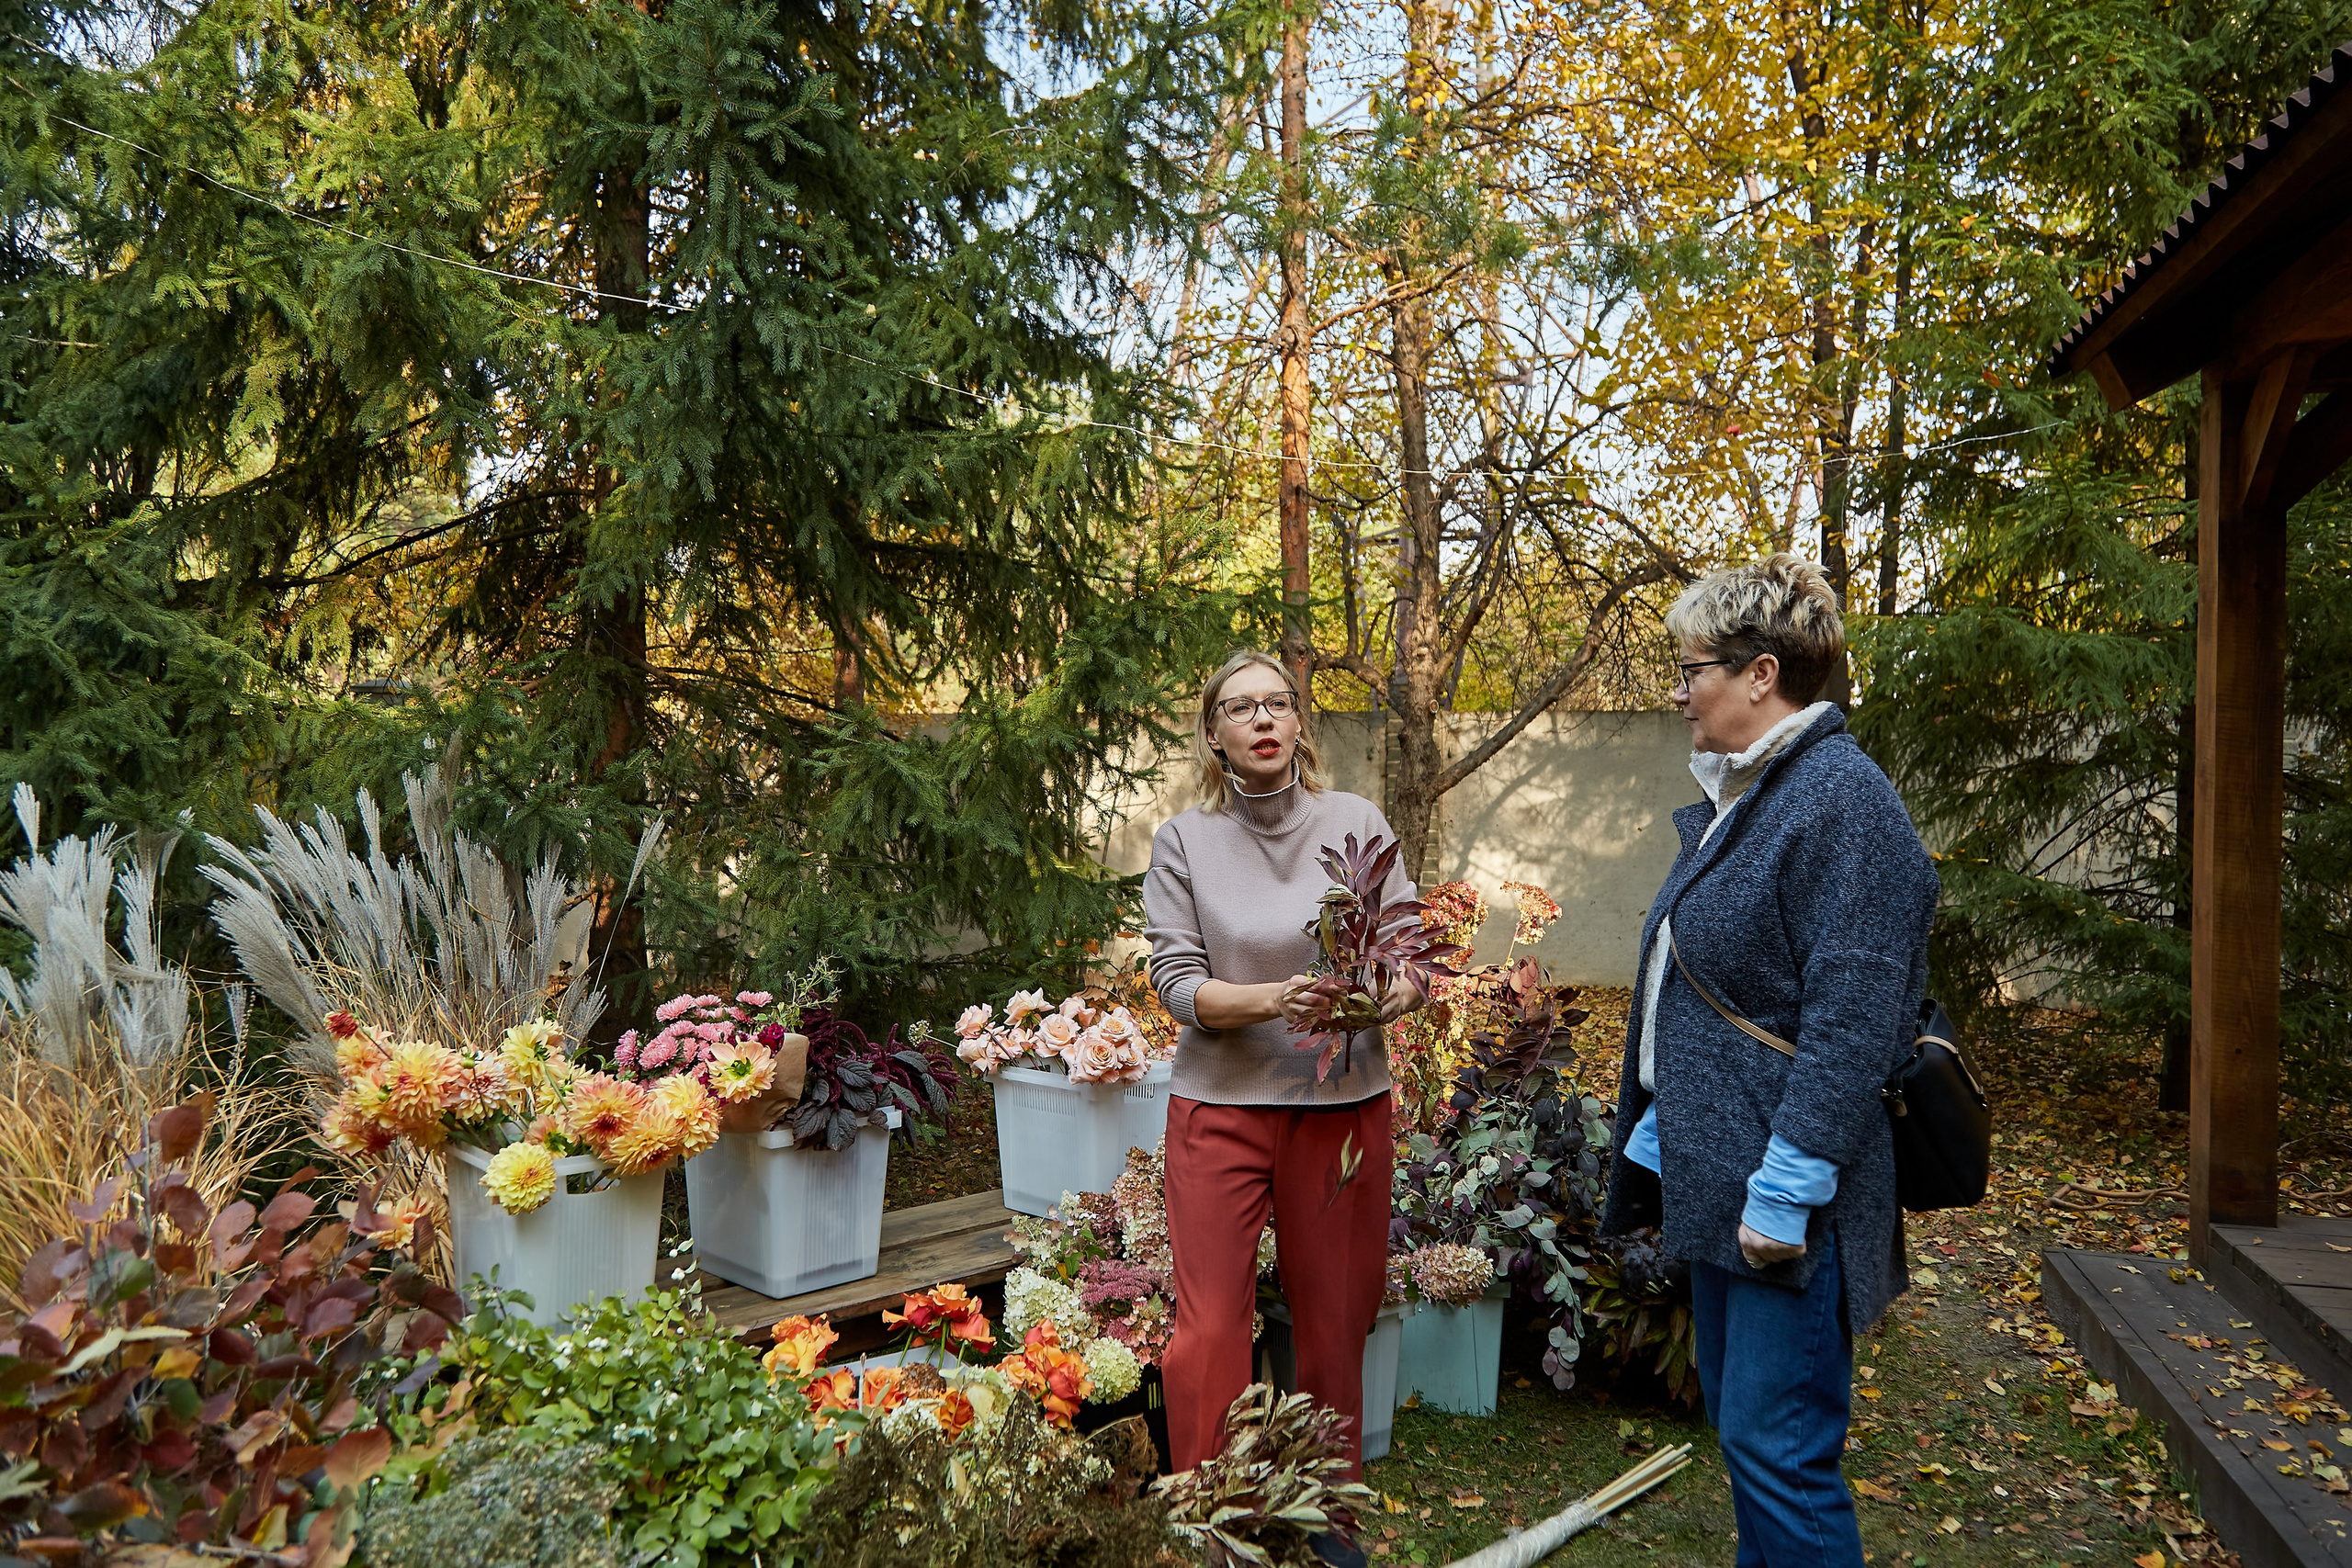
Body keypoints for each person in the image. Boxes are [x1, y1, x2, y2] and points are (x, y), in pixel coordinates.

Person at [1600, 555, 1938, 1568]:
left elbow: (1852, 1022)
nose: (1677, 688)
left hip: (1782, 1195)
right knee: (1754, 1449)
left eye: (1692, 666)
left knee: (1782, 1455)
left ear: (1757, 673)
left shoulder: (1842, 802)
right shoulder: (1761, 796)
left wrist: (1785, 1190)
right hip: (1726, 1175)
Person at [1143, 649, 1426, 1488]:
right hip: (1219, 1106)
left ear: (1300, 724)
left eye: (1277, 703)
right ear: (1213, 736)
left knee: (1335, 1321)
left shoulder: (1356, 821)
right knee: (1207, 1330)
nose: (1262, 719)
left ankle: (1325, 1511)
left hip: (1339, 1105)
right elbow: (1178, 984)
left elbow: (1408, 956)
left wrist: (1386, 1000)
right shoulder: (1185, 840)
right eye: (1240, 708)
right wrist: (1277, 998)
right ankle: (1211, 1510)